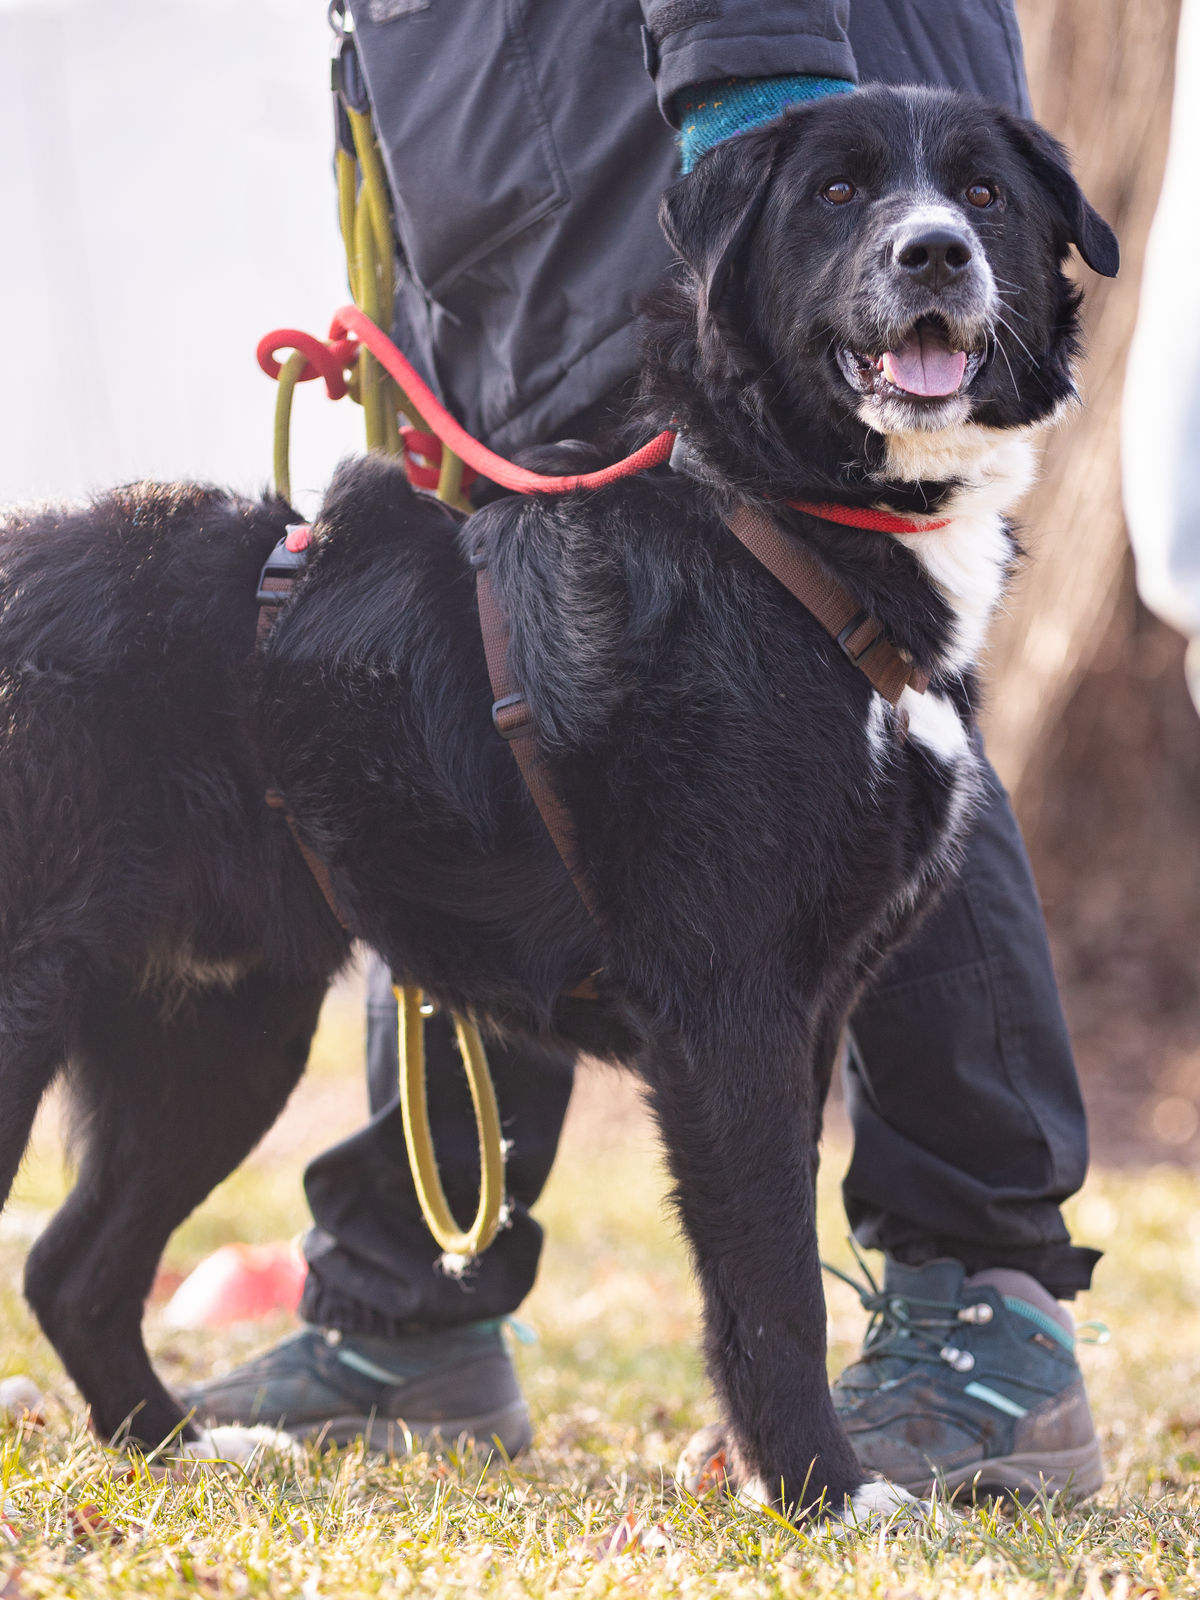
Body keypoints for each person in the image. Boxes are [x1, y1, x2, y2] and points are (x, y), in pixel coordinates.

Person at [186, 0, 1104, 1499]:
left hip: (675, 93)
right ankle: (412, 1294)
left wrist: (755, 87)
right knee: (499, 697)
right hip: (494, 119)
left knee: (851, 701)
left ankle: (980, 1303)